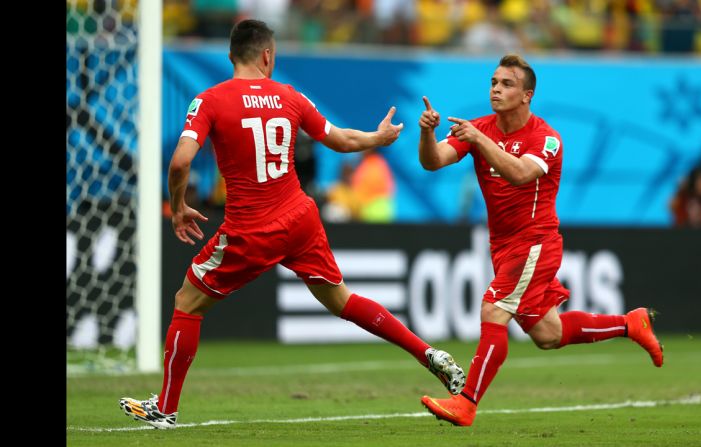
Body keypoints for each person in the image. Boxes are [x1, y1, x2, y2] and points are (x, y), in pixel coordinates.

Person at [118, 19, 465, 429]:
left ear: (233, 56)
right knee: (343, 301)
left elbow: (179, 162)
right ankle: (428, 353)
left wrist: (176, 206)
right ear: (268, 55)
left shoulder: (209, 100)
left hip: (250, 227)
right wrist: (379, 137)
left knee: (186, 303)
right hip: (300, 218)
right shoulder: (290, 96)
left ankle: (167, 407)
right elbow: (341, 140)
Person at [416, 54, 664, 427]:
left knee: (493, 310)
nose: (496, 89)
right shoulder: (480, 128)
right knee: (549, 334)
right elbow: (432, 161)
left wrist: (479, 139)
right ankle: (631, 324)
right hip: (503, 246)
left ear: (527, 95)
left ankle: (466, 403)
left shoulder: (545, 138)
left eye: (507, 84)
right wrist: (426, 133)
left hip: (535, 242)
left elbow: (519, 174)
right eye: (494, 82)